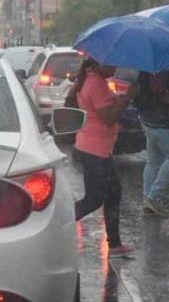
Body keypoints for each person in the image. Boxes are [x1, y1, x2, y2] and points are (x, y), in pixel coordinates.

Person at [69, 58, 137, 258]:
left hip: (98, 148)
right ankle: (58, 224)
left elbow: (105, 106)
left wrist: (119, 98)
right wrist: (127, 99)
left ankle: (114, 244)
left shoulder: (93, 80)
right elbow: (108, 118)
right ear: (99, 64)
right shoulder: (95, 83)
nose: (115, 68)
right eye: (112, 64)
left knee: (113, 193)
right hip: (94, 149)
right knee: (94, 199)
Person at [134, 69, 169, 216]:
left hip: (147, 116)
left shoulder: (146, 69)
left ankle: (148, 197)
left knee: (154, 160)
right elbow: (159, 90)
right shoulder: (164, 69)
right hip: (162, 118)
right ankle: (154, 196)